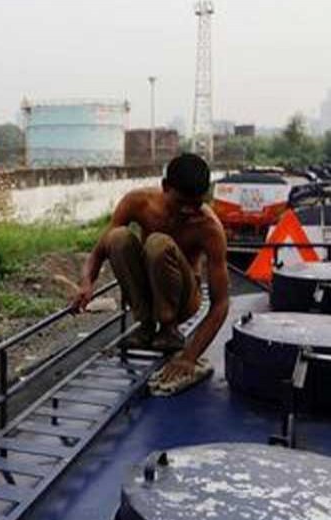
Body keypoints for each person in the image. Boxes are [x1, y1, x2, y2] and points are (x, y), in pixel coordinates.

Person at [72, 153, 229, 387]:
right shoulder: (138, 202)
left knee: (158, 243)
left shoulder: (209, 228)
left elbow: (220, 304)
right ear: (165, 187)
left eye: (195, 204)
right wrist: (86, 283)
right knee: (117, 237)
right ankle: (145, 325)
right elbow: (98, 252)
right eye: (180, 202)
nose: (187, 211)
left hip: (184, 300)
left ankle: (168, 329)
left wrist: (188, 358)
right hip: (147, 293)